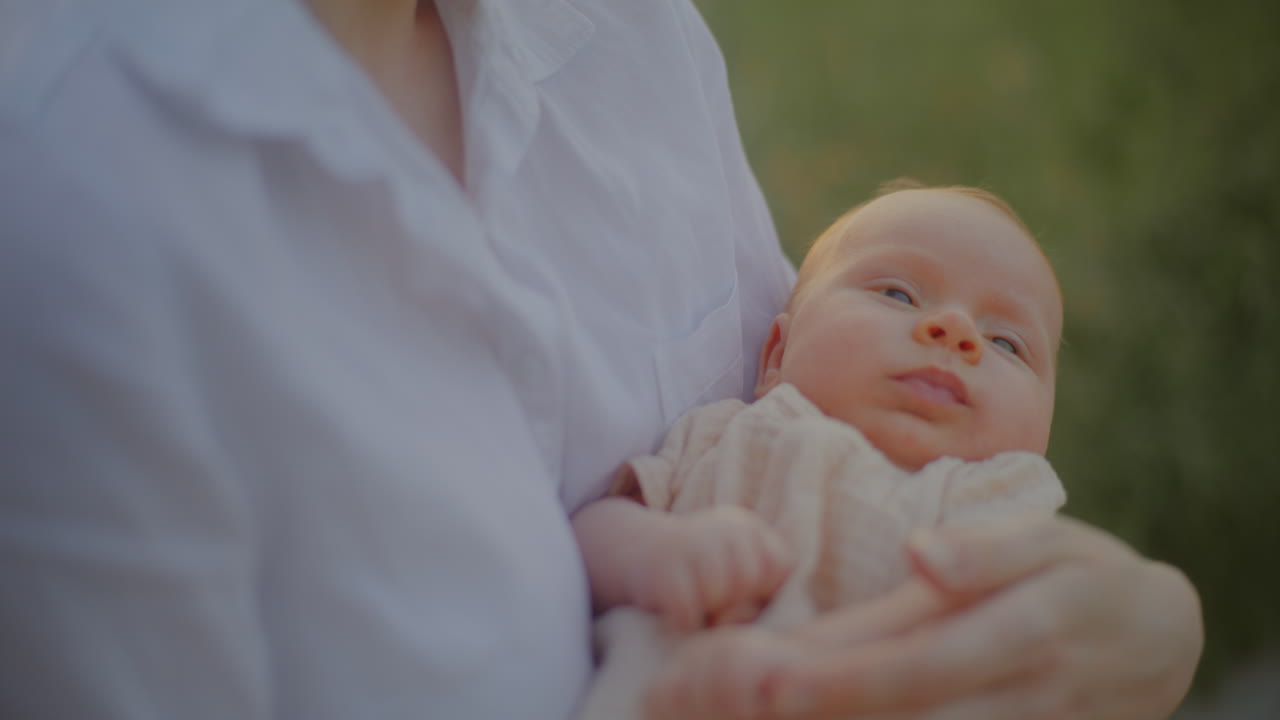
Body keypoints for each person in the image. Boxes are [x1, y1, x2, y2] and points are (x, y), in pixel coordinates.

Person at [0, 1, 1201, 719]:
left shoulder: (623, 29)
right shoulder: (68, 224)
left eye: (1004, 340)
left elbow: (802, 370)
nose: (947, 335)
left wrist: (1148, 626)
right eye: (907, 295)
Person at [573, 183, 1069, 718]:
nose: (957, 331)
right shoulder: (732, 432)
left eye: (1006, 344)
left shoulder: (1011, 509)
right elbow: (593, 526)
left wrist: (795, 662)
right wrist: (655, 550)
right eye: (898, 295)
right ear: (777, 357)